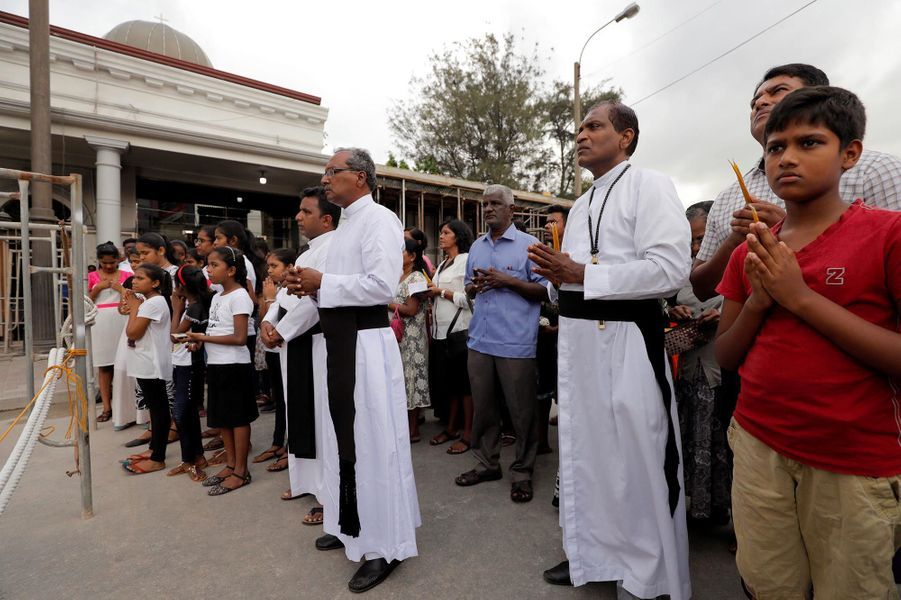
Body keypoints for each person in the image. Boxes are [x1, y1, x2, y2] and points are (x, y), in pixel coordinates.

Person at [714, 86, 901, 599]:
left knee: (852, 586)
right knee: (769, 584)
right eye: (776, 147)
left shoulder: (886, 235)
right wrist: (758, 301)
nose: (787, 158)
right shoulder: (749, 252)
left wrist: (799, 298)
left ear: (850, 153)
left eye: (809, 143)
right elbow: (726, 356)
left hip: (852, 461)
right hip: (757, 445)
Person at [528, 101, 691, 598]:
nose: (581, 134)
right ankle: (594, 555)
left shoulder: (651, 185)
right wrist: (555, 277)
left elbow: (670, 270)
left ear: (626, 136)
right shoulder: (579, 204)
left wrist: (581, 273)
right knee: (588, 455)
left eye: (593, 126)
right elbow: (575, 281)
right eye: (578, 128)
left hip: (628, 343)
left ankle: (648, 575)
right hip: (580, 348)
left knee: (637, 458)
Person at [292, 148, 420, 593]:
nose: (325, 179)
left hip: (365, 346)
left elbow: (383, 287)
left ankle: (384, 545)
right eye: (325, 172)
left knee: (371, 441)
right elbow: (342, 290)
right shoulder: (345, 224)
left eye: (333, 171)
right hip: (340, 343)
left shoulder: (379, 220)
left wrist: (322, 282)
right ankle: (350, 524)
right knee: (342, 437)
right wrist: (310, 291)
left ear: (361, 177)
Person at [691, 63, 901, 302]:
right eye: (754, 101)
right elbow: (701, 290)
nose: (759, 103)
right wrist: (737, 240)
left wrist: (790, 229)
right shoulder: (727, 197)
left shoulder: (875, 169)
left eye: (777, 91)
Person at [453, 184, 548, 504]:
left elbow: (547, 292)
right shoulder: (477, 248)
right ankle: (487, 463)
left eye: (495, 203)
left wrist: (507, 281)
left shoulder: (530, 245)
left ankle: (522, 472)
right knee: (484, 408)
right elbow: (468, 289)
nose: (488, 209)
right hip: (480, 340)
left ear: (512, 208)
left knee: (522, 413)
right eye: (485, 204)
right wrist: (474, 288)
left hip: (516, 342)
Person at [262, 185, 338, 525]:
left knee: (321, 418)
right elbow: (282, 298)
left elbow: (314, 303)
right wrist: (268, 322)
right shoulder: (306, 255)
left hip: (317, 344)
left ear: (325, 218)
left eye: (305, 211)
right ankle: (305, 481)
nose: (298, 217)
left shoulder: (335, 250)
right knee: (298, 412)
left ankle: (327, 493)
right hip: (292, 343)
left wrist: (282, 330)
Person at [667, 201, 729, 523]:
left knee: (720, 444)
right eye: (692, 240)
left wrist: (728, 316)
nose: (697, 247)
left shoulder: (735, 266)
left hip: (721, 373)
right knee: (690, 439)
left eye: (703, 238)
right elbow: (666, 307)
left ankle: (722, 511)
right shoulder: (681, 272)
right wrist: (672, 313)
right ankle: (696, 507)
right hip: (687, 371)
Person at [187, 246, 258, 496]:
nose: (208, 269)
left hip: (235, 366)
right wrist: (200, 341)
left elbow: (240, 338)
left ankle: (241, 470)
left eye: (214, 265)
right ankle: (230, 465)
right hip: (217, 364)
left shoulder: (240, 296)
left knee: (238, 418)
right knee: (223, 419)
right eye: (208, 264)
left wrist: (203, 337)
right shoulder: (218, 296)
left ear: (232, 270)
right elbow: (218, 331)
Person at [120, 264, 173, 474]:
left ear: (155, 283)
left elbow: (133, 333)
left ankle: (158, 457)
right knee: (155, 409)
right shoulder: (148, 301)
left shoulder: (154, 302)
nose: (134, 281)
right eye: (134, 277)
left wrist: (134, 307)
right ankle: (153, 450)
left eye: (140, 278)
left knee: (159, 411)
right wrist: (134, 306)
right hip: (144, 362)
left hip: (151, 363)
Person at [427, 219, 475, 454]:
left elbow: (469, 299)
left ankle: (468, 434)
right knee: (451, 384)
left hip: (459, 331)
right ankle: (452, 427)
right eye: (441, 232)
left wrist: (441, 292)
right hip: (441, 332)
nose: (441, 236)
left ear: (458, 236)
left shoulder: (466, 261)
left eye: (446, 232)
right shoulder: (443, 263)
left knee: (464, 386)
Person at [252, 248, 296, 472]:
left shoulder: (295, 289)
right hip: (273, 350)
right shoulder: (277, 289)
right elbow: (263, 318)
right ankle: (277, 443)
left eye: (274, 266)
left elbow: (286, 319)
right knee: (280, 398)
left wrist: (269, 298)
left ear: (290, 267)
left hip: (287, 349)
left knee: (290, 401)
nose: (269, 271)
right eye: (268, 266)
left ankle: (290, 449)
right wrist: (268, 298)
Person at [166, 265, 211, 482]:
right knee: (188, 411)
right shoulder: (194, 305)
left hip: (190, 365)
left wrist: (176, 308)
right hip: (184, 363)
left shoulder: (193, 309)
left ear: (182, 287)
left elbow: (175, 336)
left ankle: (190, 461)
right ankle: (196, 457)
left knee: (182, 411)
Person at [388, 239, 431, 443]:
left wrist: (387, 304)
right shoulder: (398, 276)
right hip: (399, 337)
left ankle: (413, 429)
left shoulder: (416, 277)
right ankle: (403, 426)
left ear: (413, 256)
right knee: (401, 380)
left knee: (411, 379)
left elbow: (411, 310)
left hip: (412, 338)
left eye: (402, 250)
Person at [88, 241, 130, 423]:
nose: (108, 266)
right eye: (104, 262)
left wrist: (120, 289)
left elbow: (134, 297)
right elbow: (85, 302)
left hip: (123, 319)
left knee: (125, 365)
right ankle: (107, 407)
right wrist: (97, 289)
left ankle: (128, 407)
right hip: (100, 322)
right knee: (104, 366)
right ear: (98, 260)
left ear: (118, 260)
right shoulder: (91, 277)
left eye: (112, 262)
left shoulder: (128, 275)